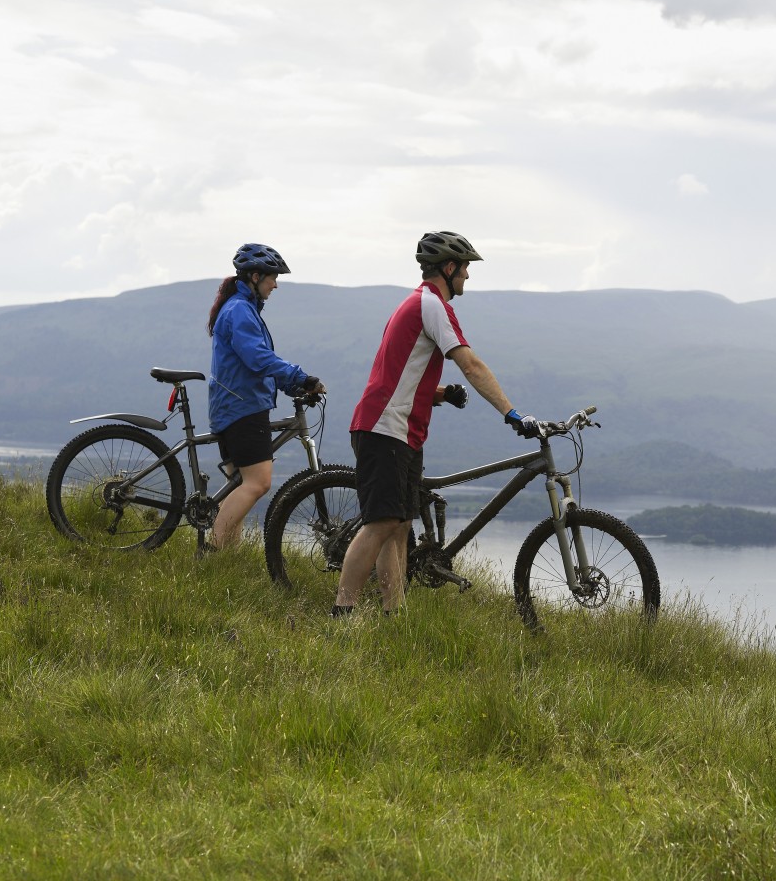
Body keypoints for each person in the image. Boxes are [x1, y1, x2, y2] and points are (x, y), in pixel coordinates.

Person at [332, 231, 538, 616]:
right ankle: (342, 612)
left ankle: (396, 614)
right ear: (449, 267)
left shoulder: (415, 305)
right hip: (384, 428)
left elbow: (401, 372)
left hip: (398, 429)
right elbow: (471, 364)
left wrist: (441, 393)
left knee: (398, 527)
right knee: (380, 524)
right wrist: (513, 413)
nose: (468, 278)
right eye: (465, 269)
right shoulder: (432, 305)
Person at [206, 243, 326, 551]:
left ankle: (224, 563)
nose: (276, 284)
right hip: (243, 409)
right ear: (255, 276)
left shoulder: (239, 308)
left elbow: (255, 363)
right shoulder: (240, 311)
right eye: (272, 277)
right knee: (258, 483)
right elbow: (258, 358)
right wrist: (301, 378)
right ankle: (210, 553)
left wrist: (291, 387)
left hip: (231, 406)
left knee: (238, 487)